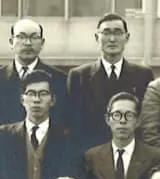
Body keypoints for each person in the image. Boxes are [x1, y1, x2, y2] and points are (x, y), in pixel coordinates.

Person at [0, 18, 67, 179]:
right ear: (11, 42)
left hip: (48, 159)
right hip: (5, 161)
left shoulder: (59, 79)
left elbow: (65, 122)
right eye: (22, 37)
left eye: (34, 37)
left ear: (42, 43)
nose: (27, 43)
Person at [66, 13, 154, 153]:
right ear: (97, 37)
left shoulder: (143, 75)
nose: (112, 39)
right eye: (106, 33)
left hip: (131, 154)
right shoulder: (79, 76)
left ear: (127, 37)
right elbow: (73, 124)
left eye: (118, 33)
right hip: (90, 155)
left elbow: (146, 120)